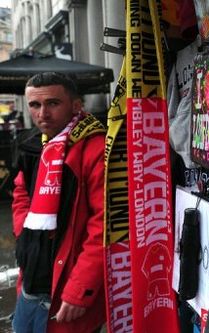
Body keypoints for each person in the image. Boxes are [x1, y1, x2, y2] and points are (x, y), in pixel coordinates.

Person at [11, 72, 106, 332]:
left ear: (76, 105)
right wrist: (25, 234)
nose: (43, 113)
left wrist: (79, 290)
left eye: (53, 103)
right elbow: (20, 194)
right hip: (30, 280)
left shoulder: (97, 148)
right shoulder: (32, 144)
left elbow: (104, 226)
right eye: (35, 105)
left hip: (66, 288)